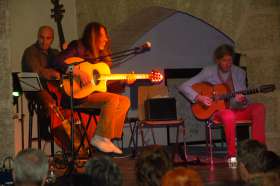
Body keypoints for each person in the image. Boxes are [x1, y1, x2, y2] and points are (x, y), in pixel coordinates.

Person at [53, 22, 132, 154]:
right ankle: (100, 137)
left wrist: (124, 82)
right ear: (93, 36)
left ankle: (107, 138)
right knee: (112, 100)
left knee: (125, 101)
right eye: (103, 36)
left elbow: (104, 85)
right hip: (76, 96)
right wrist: (76, 71)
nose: (107, 39)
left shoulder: (103, 57)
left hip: (94, 95)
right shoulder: (78, 47)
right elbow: (56, 61)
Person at [179, 44, 266, 161]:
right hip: (218, 113)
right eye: (224, 60)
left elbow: (244, 100)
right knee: (228, 114)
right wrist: (199, 97)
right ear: (217, 60)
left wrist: (243, 99)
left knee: (259, 108)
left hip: (237, 109)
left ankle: (259, 152)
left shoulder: (239, 72)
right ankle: (232, 156)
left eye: (229, 60)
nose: (227, 63)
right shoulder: (208, 71)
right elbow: (183, 86)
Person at [21, 25, 61, 140]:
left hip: (50, 88)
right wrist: (51, 73)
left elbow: (65, 66)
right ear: (37, 37)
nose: (44, 41)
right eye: (42, 37)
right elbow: (37, 71)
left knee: (67, 96)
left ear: (52, 39)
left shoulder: (54, 53)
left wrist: (66, 51)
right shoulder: (30, 52)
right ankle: (45, 128)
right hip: (32, 86)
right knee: (48, 98)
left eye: (48, 38)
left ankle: (64, 129)